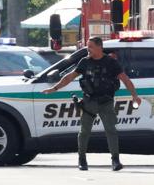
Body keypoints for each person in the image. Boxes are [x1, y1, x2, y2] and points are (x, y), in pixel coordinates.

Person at [42, 37, 141, 171]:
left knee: (111, 130)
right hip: (89, 101)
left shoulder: (111, 62)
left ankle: (115, 160)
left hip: (106, 101)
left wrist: (134, 96)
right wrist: (54, 88)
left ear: (99, 47)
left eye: (91, 47)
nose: (88, 49)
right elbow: (70, 77)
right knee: (84, 132)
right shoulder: (85, 62)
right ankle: (82, 159)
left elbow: (125, 79)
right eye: (88, 47)